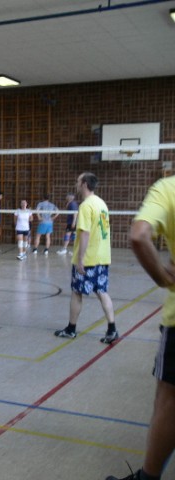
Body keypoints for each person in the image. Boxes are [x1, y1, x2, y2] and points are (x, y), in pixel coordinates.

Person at [106, 176, 175, 480]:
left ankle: (148, 478)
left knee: (169, 398)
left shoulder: (169, 188)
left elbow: (138, 235)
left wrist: (162, 277)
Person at [54, 172, 118, 343]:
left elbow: (85, 234)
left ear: (84, 184)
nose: (76, 184)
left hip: (89, 258)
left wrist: (80, 258)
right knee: (102, 291)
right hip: (102, 257)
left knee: (76, 293)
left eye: (78, 181)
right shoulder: (101, 203)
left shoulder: (86, 206)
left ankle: (71, 329)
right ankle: (112, 329)